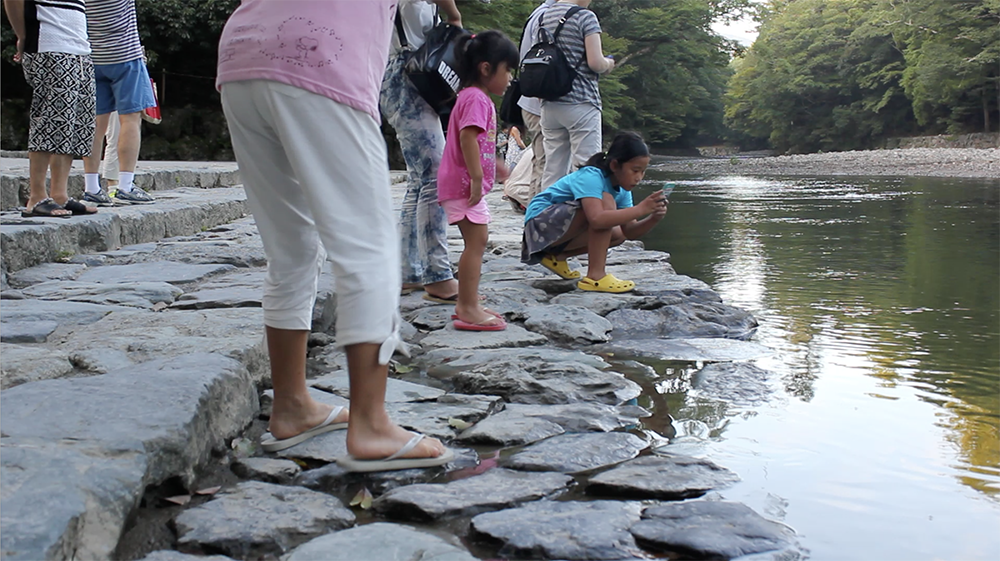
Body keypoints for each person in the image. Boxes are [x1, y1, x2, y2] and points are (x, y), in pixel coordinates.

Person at [216, 0, 452, 472]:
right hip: (324, 53)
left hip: (243, 53)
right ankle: (371, 425)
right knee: (370, 248)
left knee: (290, 250)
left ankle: (292, 407)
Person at [382, 0, 465, 304]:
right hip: (406, 80)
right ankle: (437, 274)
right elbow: (453, 23)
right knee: (434, 177)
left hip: (407, 79)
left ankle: (409, 271)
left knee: (421, 180)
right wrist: (453, 13)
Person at [438, 31, 519, 331]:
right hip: (462, 183)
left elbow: (477, 141)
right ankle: (467, 306)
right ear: (486, 68)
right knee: (476, 242)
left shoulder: (471, 96)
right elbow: (467, 137)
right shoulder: (476, 99)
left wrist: (495, 166)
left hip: (461, 181)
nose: (510, 78)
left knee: (477, 241)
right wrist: (475, 177)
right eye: (507, 70)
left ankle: (468, 300)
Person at [521, 131, 667, 293]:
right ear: (614, 165)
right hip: (537, 226)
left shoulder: (622, 189)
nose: (639, 177)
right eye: (635, 170)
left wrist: (653, 217)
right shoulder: (591, 176)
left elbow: (629, 232)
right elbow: (597, 219)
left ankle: (556, 257)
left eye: (643, 171)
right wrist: (640, 209)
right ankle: (595, 276)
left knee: (618, 233)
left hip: (555, 230)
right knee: (606, 204)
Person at [5, 0, 98, 218]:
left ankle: (60, 194)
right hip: (49, 44)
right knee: (49, 119)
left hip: (79, 48)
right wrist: (23, 35)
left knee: (74, 123)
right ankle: (36, 196)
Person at [81, 0, 155, 206]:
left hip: (92, 56)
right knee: (130, 119)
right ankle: (125, 185)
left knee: (95, 124)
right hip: (125, 55)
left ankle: (91, 187)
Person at [538, 0, 615, 190]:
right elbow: (595, 63)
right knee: (588, 167)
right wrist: (609, 63)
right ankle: (588, 217)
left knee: (553, 169)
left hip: (550, 103)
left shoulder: (544, 15)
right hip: (581, 102)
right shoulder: (585, 16)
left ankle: (547, 215)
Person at [517, 0, 555, 201]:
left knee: (540, 161)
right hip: (539, 104)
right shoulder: (548, 16)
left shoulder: (539, 13)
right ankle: (537, 217)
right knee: (545, 163)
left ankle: (534, 213)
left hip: (530, 101)